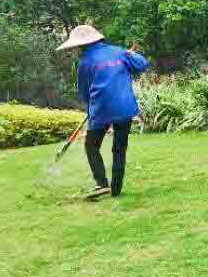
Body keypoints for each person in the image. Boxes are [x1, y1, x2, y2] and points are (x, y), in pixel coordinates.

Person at [56, 24, 149, 201]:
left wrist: (90, 107)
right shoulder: (120, 52)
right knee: (119, 148)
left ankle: (102, 184)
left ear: (82, 45)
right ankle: (115, 189)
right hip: (124, 107)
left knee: (91, 145)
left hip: (101, 109)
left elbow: (83, 91)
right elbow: (142, 65)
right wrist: (131, 54)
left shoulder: (85, 62)